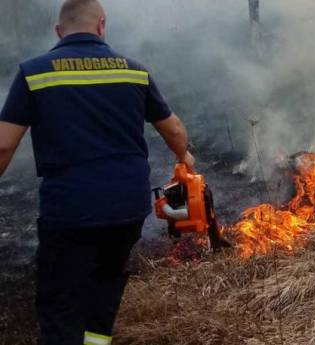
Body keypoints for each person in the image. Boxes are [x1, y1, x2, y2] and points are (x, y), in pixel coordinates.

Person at [0, 1, 195, 344]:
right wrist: (184, 156)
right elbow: (174, 129)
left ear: (59, 32)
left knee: (60, 301)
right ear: (102, 26)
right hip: (127, 209)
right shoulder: (134, 71)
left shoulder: (35, 72)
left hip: (71, 211)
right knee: (106, 280)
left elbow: (3, 146)